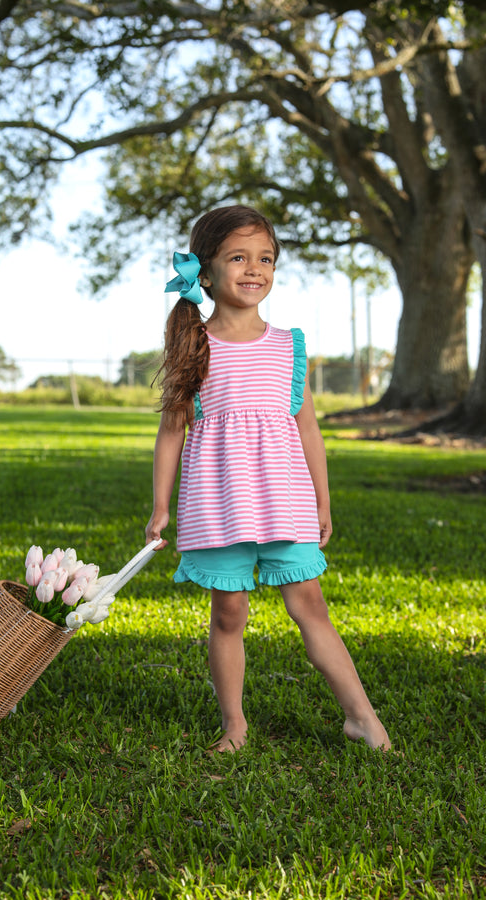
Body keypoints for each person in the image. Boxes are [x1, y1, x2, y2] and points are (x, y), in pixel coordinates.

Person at [145, 205, 390, 753]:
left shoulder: (289, 345)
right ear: (205, 273)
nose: (254, 269)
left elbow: (308, 430)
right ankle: (235, 725)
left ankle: (362, 717)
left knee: (310, 606)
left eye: (266, 259)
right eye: (238, 258)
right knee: (228, 611)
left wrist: (323, 501)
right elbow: (170, 433)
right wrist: (161, 507)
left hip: (286, 502)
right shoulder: (195, 345)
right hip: (218, 502)